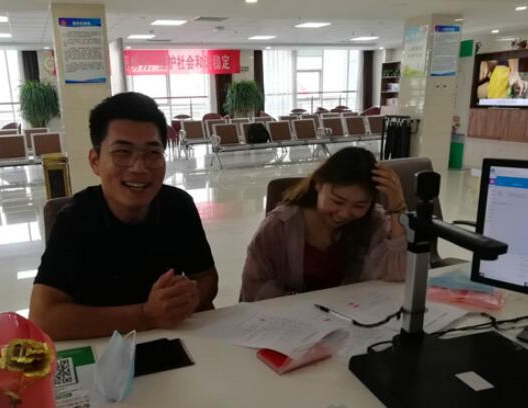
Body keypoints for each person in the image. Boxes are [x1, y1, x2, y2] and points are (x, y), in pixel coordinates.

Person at [29, 92, 218, 340]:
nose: (139, 167)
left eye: (152, 153)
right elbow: (43, 318)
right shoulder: (75, 220)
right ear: (95, 161)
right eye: (122, 152)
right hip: (102, 347)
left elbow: (205, 278)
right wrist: (147, 315)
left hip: (171, 340)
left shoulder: (178, 206)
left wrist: (188, 297)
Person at [240, 147, 407, 302]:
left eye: (359, 206)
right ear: (318, 184)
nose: (344, 214)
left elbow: (400, 272)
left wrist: (397, 206)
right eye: (337, 201)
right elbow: (254, 289)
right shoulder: (279, 226)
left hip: (350, 315)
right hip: (292, 317)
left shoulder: (373, 222)